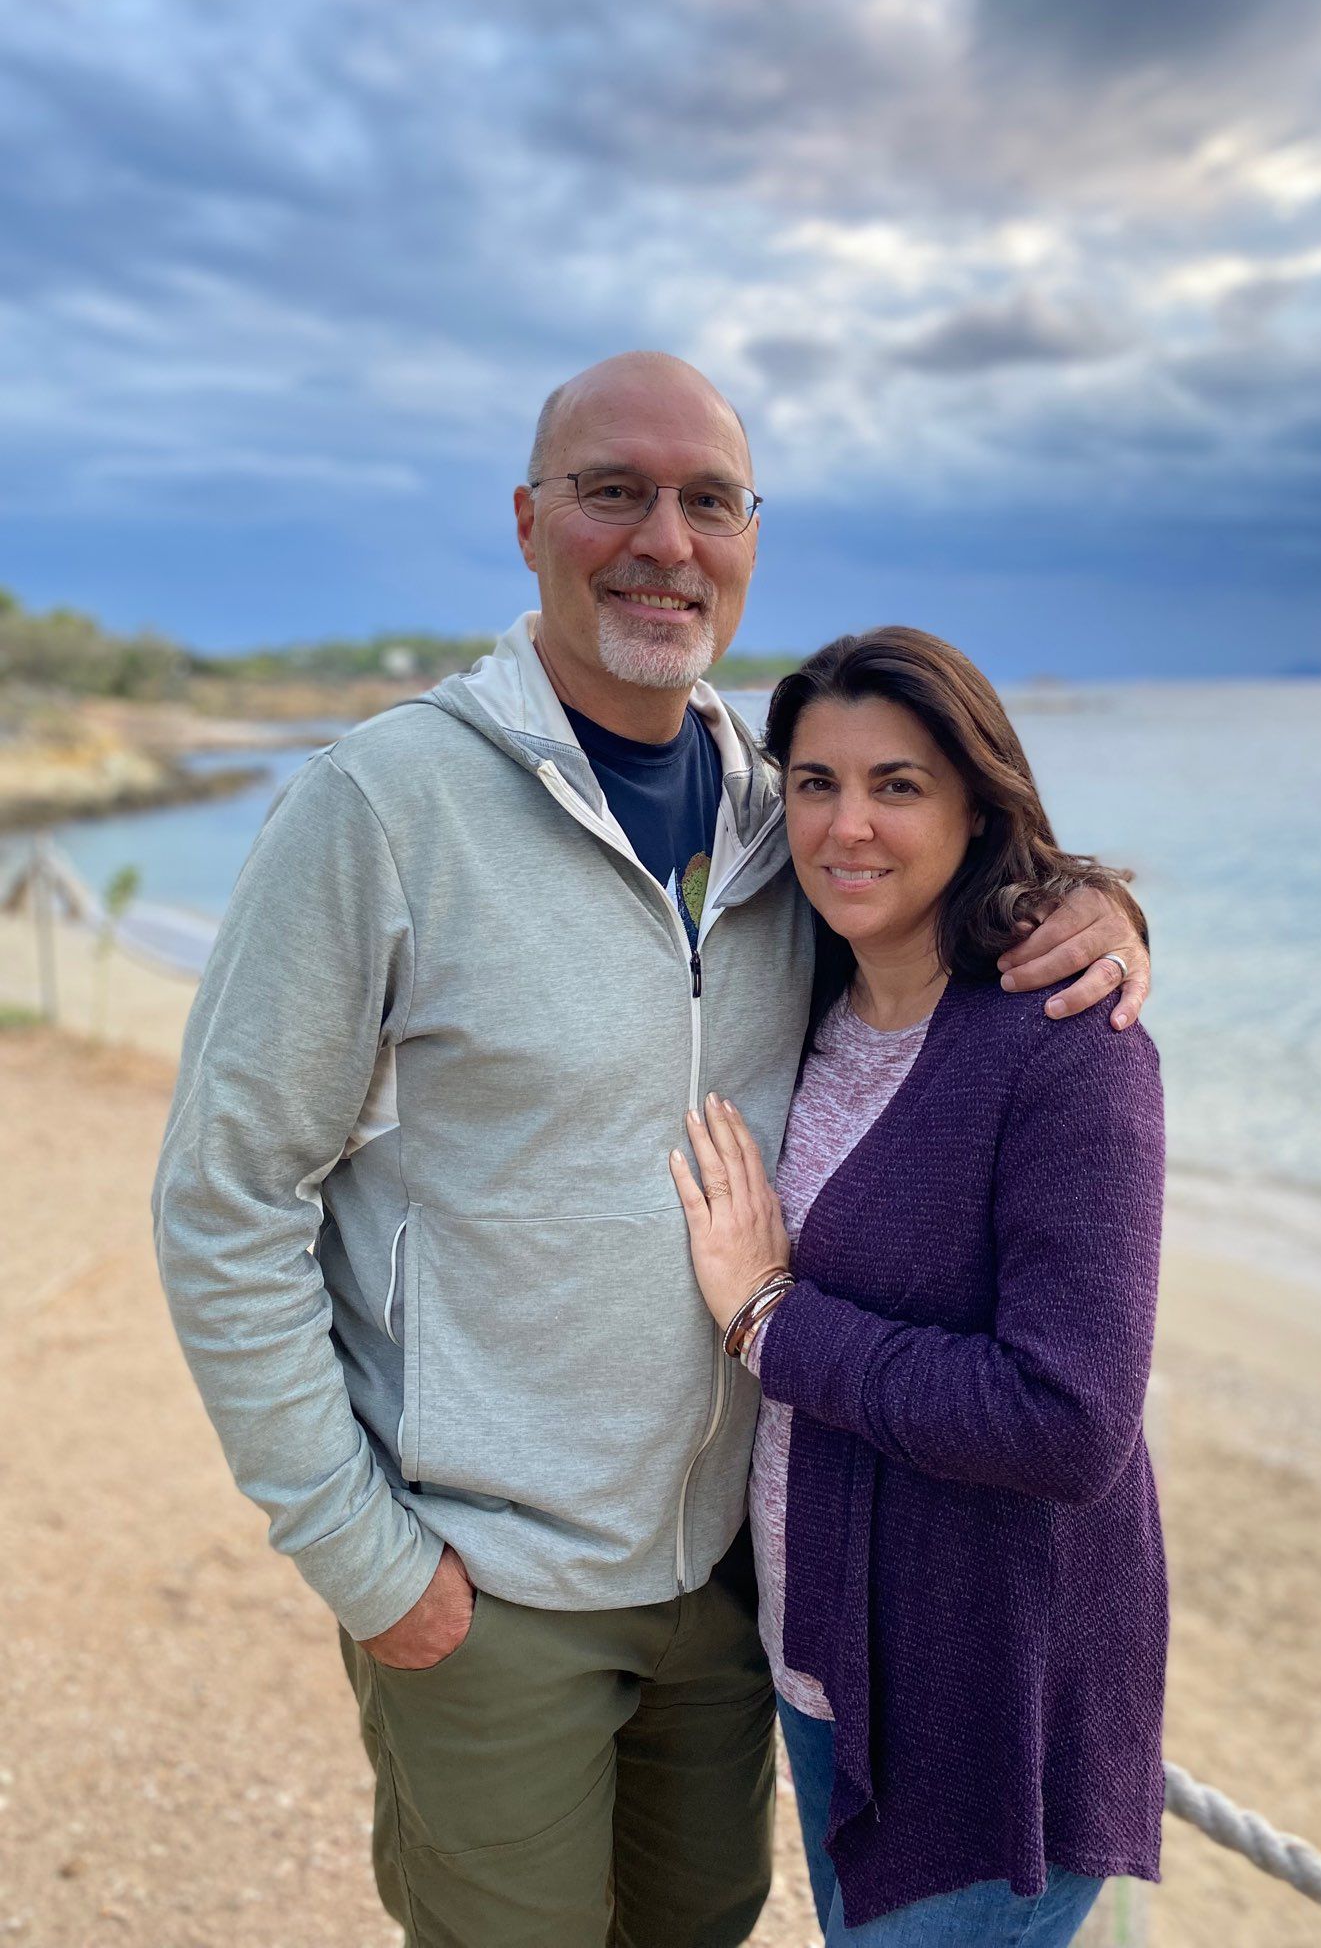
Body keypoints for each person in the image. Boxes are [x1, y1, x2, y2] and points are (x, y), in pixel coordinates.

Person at [151, 352, 1152, 1948]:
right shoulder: (382, 806)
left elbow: (931, 951)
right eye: (615, 490)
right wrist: (365, 1559)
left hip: (738, 1594)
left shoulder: (788, 825)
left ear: (753, 536)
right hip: (486, 1590)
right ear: (531, 520)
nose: (663, 541)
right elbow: (226, 1198)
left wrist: (1094, 910)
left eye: (709, 501)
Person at [671, 626, 1165, 1944]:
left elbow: (1069, 1419)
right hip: (826, 1675)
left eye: (898, 785)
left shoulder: (1065, 1051)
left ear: (973, 803)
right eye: (817, 784)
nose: (849, 827)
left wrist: (772, 1321)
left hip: (982, 1709)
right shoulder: (810, 994)